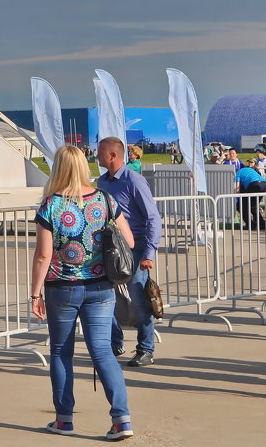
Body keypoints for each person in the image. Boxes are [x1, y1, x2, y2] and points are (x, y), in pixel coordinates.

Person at [30, 145, 136, 440]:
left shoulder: (50, 205)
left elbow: (43, 255)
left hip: (61, 288)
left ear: (59, 168)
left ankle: (64, 419)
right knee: (102, 351)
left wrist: (35, 294)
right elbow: (128, 239)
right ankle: (122, 419)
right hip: (101, 287)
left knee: (61, 352)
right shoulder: (105, 199)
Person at [96, 136, 162, 368]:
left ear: (113, 155)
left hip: (136, 248)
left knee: (140, 300)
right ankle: (115, 343)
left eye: (100, 152)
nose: (96, 155)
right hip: (110, 247)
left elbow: (153, 217)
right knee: (105, 296)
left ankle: (146, 349)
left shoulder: (134, 180)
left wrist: (149, 254)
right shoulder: (102, 182)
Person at [234, 159, 266, 230]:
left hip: (254, 185)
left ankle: (251, 224)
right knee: (253, 206)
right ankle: (262, 224)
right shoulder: (250, 170)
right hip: (264, 184)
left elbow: (237, 188)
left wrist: (236, 197)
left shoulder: (238, 173)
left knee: (240, 206)